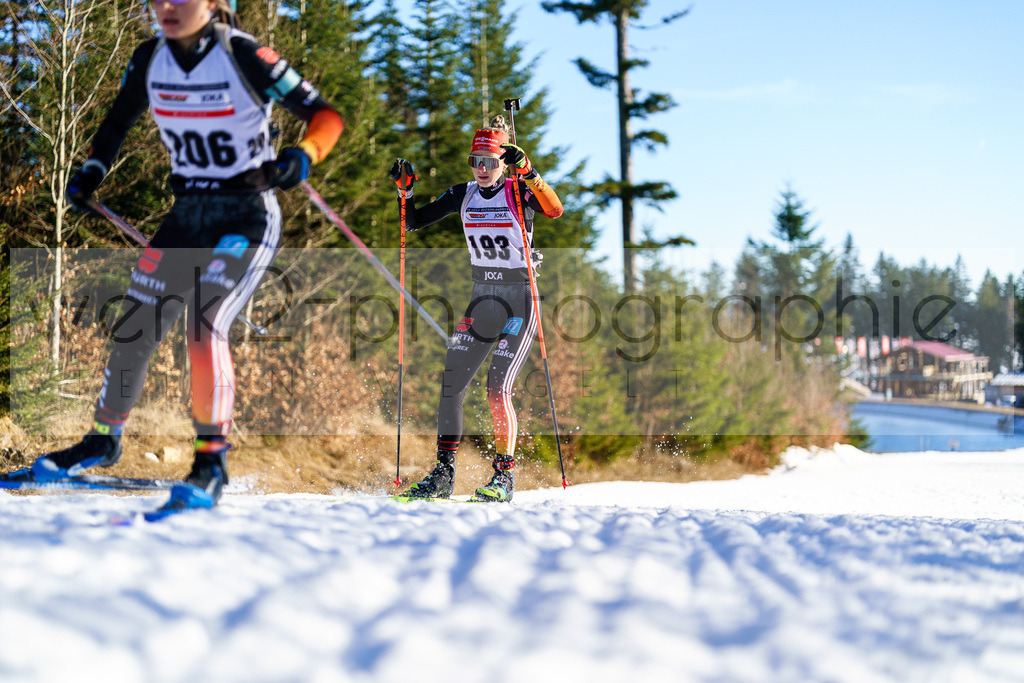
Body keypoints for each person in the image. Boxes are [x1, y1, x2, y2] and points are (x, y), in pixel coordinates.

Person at [4, 0, 342, 504]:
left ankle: (211, 462)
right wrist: (93, 170)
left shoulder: (244, 53)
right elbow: (116, 123)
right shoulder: (149, 59)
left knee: (204, 324)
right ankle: (103, 439)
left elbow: (325, 115)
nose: (165, 7)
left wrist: (303, 154)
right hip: (187, 217)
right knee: (134, 327)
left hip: (246, 216)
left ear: (211, 3)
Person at [388, 116, 563, 502]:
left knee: (497, 390)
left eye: (489, 161)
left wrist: (531, 173)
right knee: (451, 384)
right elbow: (414, 222)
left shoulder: (520, 192)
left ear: (504, 162)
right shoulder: (462, 194)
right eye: (475, 161)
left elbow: (555, 210)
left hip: (519, 300)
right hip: (482, 299)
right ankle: (443, 475)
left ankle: (504, 477)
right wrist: (406, 194)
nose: (481, 169)